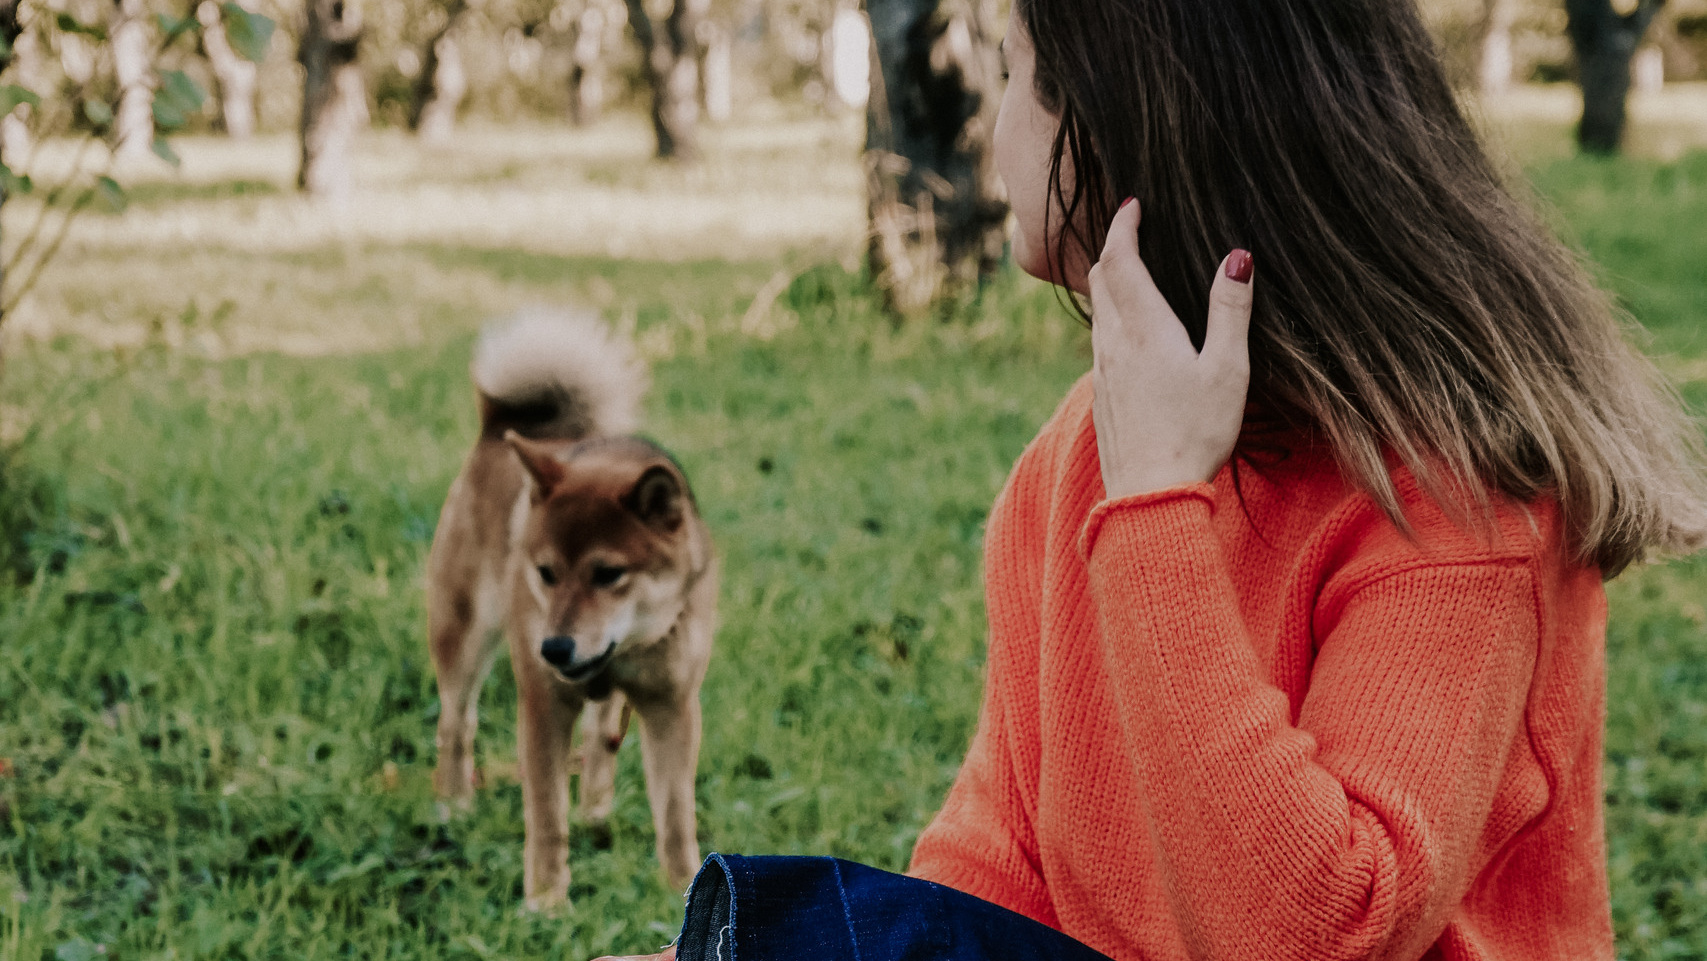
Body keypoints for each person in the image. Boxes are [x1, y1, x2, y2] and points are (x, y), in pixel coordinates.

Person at [603, 0, 1707, 958]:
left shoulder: (1457, 502)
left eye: (1014, 75)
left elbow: (1305, 938)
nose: (995, 124)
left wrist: (1157, 516)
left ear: (1126, 122)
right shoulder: (1085, 448)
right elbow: (1000, 855)